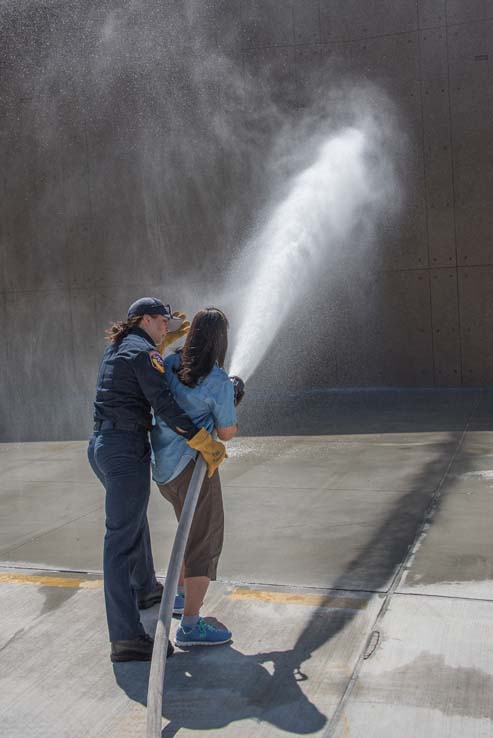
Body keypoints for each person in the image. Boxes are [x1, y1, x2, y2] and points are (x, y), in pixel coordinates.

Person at [87, 297, 227, 663]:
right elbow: (163, 402)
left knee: (133, 524)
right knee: (119, 543)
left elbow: (149, 357)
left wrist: (165, 337)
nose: (168, 328)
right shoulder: (142, 354)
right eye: (162, 322)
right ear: (144, 320)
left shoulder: (123, 344)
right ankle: (126, 637)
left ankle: (147, 590)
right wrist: (201, 440)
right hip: (123, 451)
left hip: (104, 446)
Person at [151, 307, 245, 647]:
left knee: (186, 531)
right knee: (204, 542)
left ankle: (177, 595)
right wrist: (235, 398)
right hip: (193, 471)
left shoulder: (171, 364)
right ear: (221, 341)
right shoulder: (218, 381)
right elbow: (227, 432)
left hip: (164, 469)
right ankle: (190, 625)